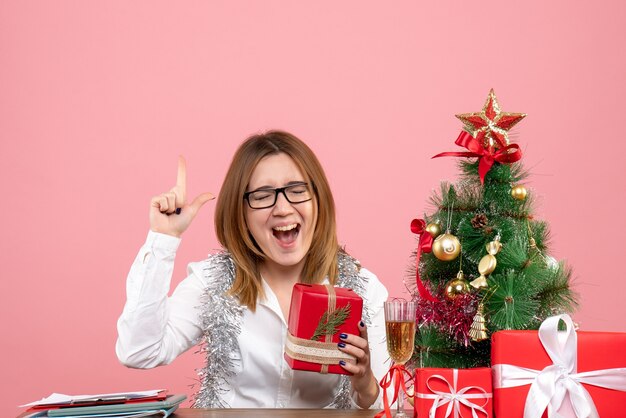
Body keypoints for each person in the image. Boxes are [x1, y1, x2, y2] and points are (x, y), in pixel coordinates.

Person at [116, 130, 389, 409]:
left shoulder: (364, 288)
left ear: (318, 201)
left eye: (297, 191)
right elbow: (139, 352)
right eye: (262, 195)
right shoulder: (213, 282)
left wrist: (365, 382)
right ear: (241, 213)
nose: (282, 208)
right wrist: (163, 239)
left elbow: (387, 406)